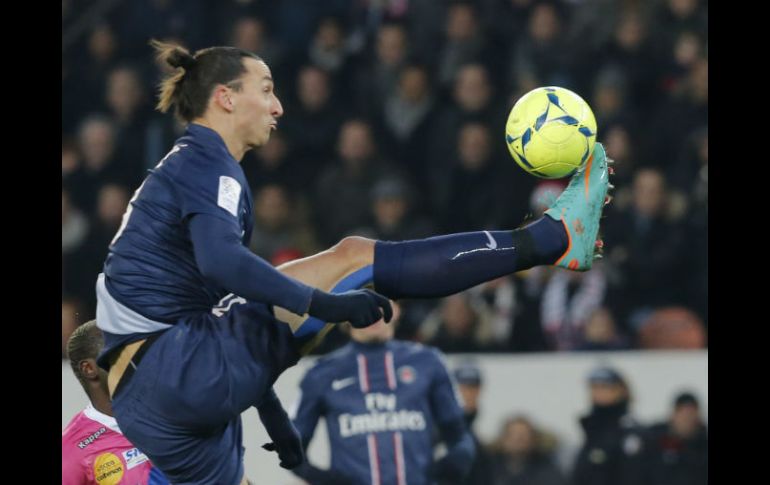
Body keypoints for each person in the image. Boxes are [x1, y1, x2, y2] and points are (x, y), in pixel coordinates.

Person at [96, 40, 610, 484]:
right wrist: (329, 305)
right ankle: (550, 239)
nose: (278, 108)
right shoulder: (208, 164)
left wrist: (275, 419)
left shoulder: (186, 165)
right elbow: (222, 265)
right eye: (267, 89)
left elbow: (227, 302)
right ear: (226, 98)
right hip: (176, 366)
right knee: (354, 258)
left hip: (147, 399)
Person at [291, 302, 475, 485]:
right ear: (344, 313)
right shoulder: (321, 373)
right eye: (362, 301)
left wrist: (454, 464)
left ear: (396, 309)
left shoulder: (429, 362)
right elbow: (289, 447)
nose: (373, 312)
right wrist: (324, 480)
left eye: (381, 302)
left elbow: (459, 434)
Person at [62, 320, 168, 485]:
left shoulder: (176, 412)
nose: (135, 364)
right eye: (121, 356)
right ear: (89, 369)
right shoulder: (72, 451)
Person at [571, 367, 647, 485]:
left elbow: (633, 475)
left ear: (621, 391)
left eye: (604, 387)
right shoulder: (593, 430)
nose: (598, 393)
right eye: (594, 387)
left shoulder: (629, 432)